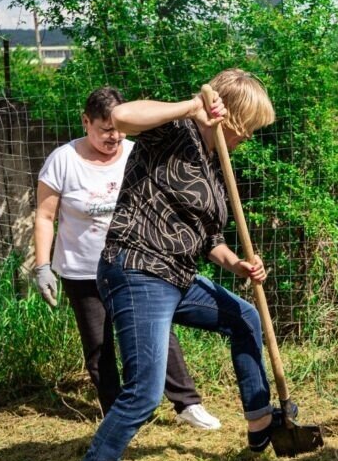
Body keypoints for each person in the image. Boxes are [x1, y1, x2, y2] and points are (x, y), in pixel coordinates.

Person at [64, 69, 280, 461]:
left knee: (242, 317)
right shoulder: (174, 131)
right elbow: (121, 117)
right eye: (249, 127)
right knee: (143, 392)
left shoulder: (215, 163)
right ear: (233, 119)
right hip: (137, 268)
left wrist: (235, 264)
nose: (248, 137)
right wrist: (190, 106)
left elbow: (209, 241)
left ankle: (261, 425)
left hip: (177, 276)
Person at [34, 87, 221, 430]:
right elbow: (45, 217)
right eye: (105, 129)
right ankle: (118, 413)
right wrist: (42, 265)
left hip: (134, 265)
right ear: (85, 122)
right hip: (83, 271)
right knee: (99, 346)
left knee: (157, 333)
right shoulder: (62, 160)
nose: (114, 136)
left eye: (118, 129)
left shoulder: (138, 151)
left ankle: (187, 403)